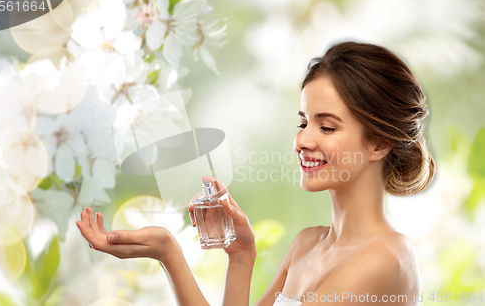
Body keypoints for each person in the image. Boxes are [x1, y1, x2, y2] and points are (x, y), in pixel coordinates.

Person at [76, 41, 435, 305]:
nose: (302, 140)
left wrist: (170, 254)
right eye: (303, 122)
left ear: (378, 143)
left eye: (326, 128)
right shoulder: (307, 244)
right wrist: (238, 256)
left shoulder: (385, 258)